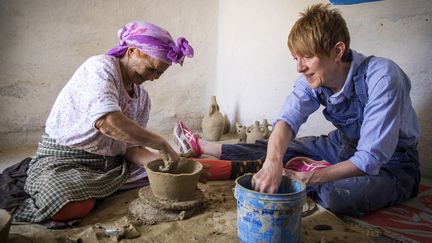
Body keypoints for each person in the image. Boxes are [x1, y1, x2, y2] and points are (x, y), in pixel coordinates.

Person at [174, 3, 421, 216]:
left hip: (394, 164)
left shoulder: (382, 76)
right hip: (341, 145)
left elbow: (370, 158)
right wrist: (273, 162)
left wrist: (308, 177)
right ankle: (206, 147)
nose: (299, 68)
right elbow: (286, 122)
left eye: (307, 57)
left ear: (337, 51)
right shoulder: (312, 78)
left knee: (336, 197)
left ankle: (306, 175)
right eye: (295, 58)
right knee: (276, 147)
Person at [12, 21, 194, 223]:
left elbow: (131, 149)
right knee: (64, 206)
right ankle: (88, 192)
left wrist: (157, 164)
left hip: (111, 165)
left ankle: (230, 167)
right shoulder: (100, 67)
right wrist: (160, 144)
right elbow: (108, 123)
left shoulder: (142, 98)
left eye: (160, 73)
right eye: (152, 69)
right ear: (132, 51)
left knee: (172, 171)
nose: (154, 78)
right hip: (66, 160)